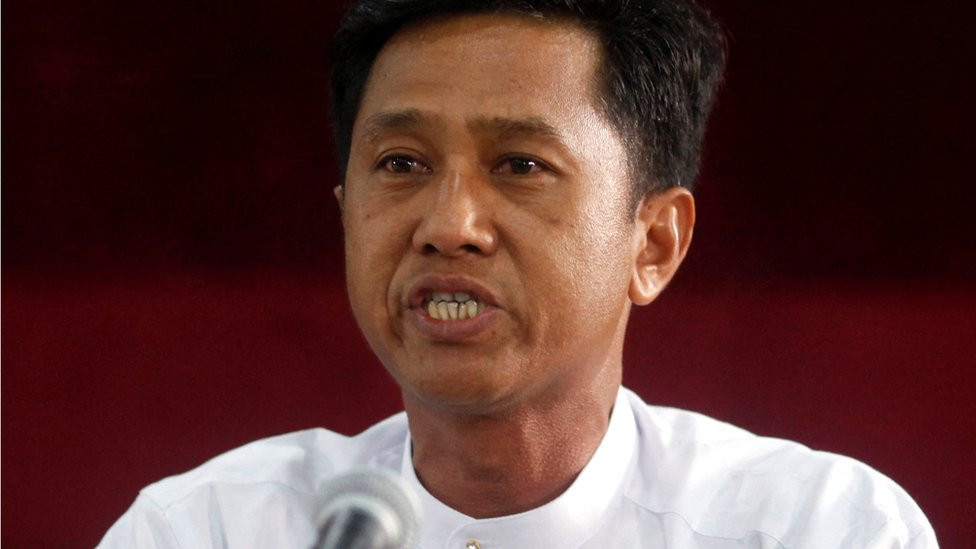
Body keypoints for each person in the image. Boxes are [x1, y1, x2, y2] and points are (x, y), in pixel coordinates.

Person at [99, 0, 938, 547]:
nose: (448, 226)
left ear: (653, 243)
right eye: (401, 162)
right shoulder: (206, 529)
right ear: (346, 212)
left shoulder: (817, 527)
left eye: (521, 165)